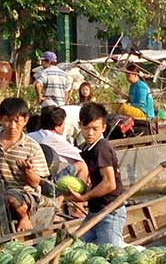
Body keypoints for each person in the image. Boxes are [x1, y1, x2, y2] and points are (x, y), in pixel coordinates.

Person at [65, 103, 126, 245]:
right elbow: (95, 180)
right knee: (77, 247)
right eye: (86, 128)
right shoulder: (86, 148)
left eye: (95, 129)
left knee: (109, 255)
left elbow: (109, 184)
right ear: (80, 125)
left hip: (110, 212)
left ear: (104, 128)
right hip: (95, 211)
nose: (90, 133)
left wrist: (84, 197)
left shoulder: (102, 148)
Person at [0, 97, 50, 231]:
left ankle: (24, 217)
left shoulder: (32, 147)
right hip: (1, 190)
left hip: (24, 194)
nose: (12, 126)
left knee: (11, 197)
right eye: (7, 120)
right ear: (1, 120)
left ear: (25, 120)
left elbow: (37, 183)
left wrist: (27, 172)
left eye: (17, 121)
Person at [27, 106, 88, 181]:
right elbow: (80, 156)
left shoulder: (30, 136)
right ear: (57, 127)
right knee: (82, 165)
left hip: (30, 175)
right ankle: (81, 192)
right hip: (47, 180)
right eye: (63, 124)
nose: (64, 126)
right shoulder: (56, 140)